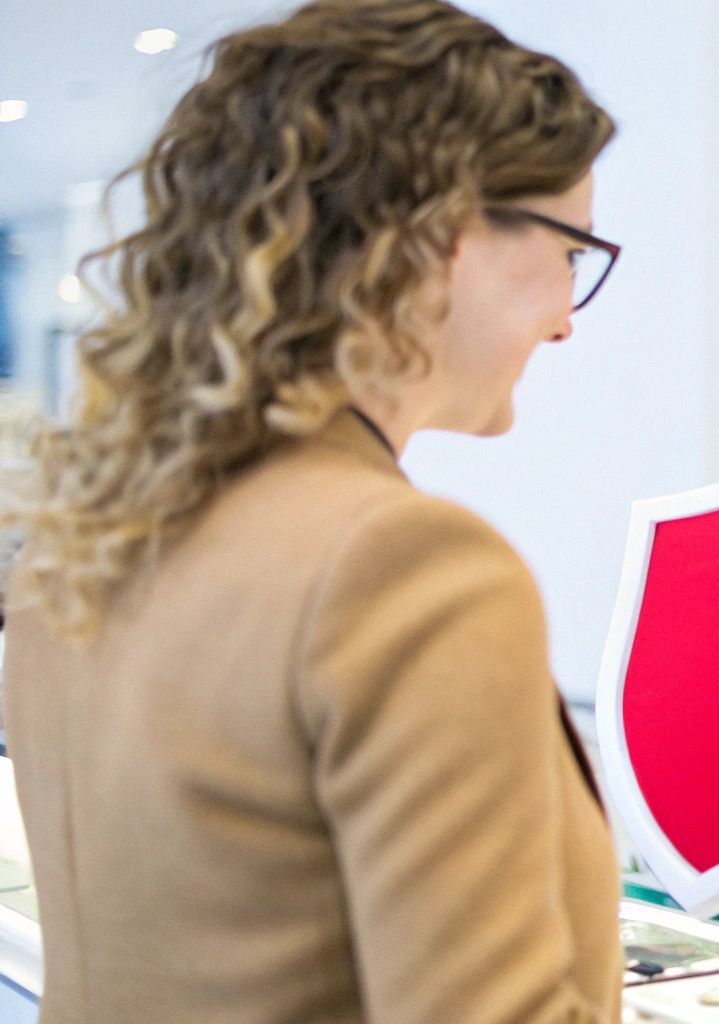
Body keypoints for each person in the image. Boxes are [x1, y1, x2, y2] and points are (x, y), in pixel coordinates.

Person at [0, 2, 624, 1019]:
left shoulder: (86, 540)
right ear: (437, 234)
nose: (564, 318)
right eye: (571, 252)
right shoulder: (404, 565)